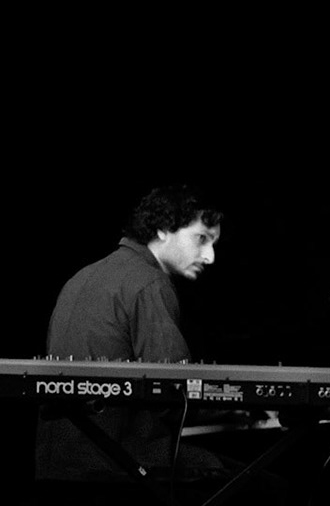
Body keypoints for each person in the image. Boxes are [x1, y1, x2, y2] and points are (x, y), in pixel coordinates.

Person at [35, 185, 227, 482]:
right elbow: (176, 395)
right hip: (121, 465)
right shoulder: (150, 284)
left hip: (58, 466)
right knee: (265, 489)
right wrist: (237, 407)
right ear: (163, 228)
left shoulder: (81, 277)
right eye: (201, 238)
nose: (210, 256)